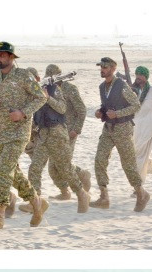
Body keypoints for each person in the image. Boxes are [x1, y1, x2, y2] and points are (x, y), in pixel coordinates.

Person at [0, 41, 49, 229]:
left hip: (18, 133)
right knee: (14, 173)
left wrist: (24, 113)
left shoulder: (24, 75)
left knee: (2, 170)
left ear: (11, 57)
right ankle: (36, 203)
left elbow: (41, 97)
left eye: (2, 55)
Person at [25, 64, 89, 213]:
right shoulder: (32, 94)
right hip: (43, 135)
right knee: (35, 168)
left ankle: (81, 193)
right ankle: (35, 201)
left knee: (64, 168)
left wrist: (47, 98)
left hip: (57, 133)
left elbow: (62, 108)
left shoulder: (54, 89)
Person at [91, 57, 150, 212]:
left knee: (128, 164)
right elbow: (107, 106)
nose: (102, 69)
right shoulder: (102, 87)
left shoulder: (122, 86)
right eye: (100, 66)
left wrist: (117, 114)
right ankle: (104, 196)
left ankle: (141, 193)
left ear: (113, 68)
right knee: (99, 160)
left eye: (104, 66)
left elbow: (136, 105)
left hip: (123, 129)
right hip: (108, 129)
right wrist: (100, 112)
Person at [42, 64, 91, 200]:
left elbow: (82, 110)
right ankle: (65, 191)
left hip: (69, 132)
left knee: (61, 164)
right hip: (55, 132)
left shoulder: (70, 89)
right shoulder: (49, 90)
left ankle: (81, 175)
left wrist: (76, 129)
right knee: (54, 167)